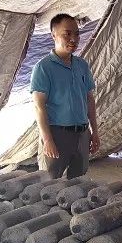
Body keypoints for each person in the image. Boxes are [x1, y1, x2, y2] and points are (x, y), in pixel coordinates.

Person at [30, 13, 99, 179]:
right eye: (67, 34)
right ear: (53, 35)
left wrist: (94, 131)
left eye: (76, 34)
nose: (73, 39)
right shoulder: (43, 67)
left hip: (81, 133)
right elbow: (39, 107)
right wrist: (47, 140)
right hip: (57, 133)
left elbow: (89, 99)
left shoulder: (81, 65)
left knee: (78, 180)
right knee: (49, 181)